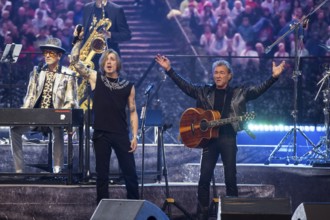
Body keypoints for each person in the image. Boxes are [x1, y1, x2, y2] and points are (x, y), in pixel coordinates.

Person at [155, 54, 286, 219]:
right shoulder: (204, 91)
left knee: (230, 179)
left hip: (228, 139)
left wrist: (273, 77)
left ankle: (233, 214)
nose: (218, 75)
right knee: (204, 179)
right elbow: (186, 87)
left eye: (222, 72)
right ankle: (202, 215)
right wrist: (169, 70)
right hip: (209, 140)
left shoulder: (239, 92)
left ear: (229, 75)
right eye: (216, 72)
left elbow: (257, 91)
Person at [70, 26, 139, 204]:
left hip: (121, 134)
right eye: (106, 59)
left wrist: (135, 135)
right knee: (102, 175)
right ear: (102, 63)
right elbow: (75, 62)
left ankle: (135, 207)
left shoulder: (128, 86)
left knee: (130, 172)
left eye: (112, 59)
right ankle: (102, 211)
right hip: (101, 134)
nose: (109, 62)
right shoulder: (95, 78)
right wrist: (77, 42)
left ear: (117, 63)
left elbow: (133, 112)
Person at [10, 38, 78, 174]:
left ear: (59, 56)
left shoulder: (67, 74)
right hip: (36, 115)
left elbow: (71, 100)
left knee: (57, 128)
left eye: (51, 53)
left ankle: (57, 170)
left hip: (55, 115)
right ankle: (19, 170)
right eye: (46, 53)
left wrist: (62, 114)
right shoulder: (37, 72)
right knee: (14, 130)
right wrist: (23, 114)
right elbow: (30, 96)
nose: (47, 56)